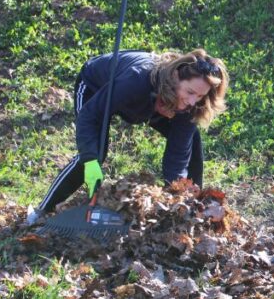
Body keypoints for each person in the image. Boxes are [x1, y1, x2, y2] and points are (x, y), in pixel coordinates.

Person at [27, 49, 228, 224]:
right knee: (95, 151)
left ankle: (192, 208)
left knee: (192, 139)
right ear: (176, 76)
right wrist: (89, 160)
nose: (193, 101)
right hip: (97, 86)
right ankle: (42, 211)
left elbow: (177, 155)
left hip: (153, 101)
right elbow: (90, 115)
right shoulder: (136, 79)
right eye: (191, 92)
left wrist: (178, 192)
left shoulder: (190, 105)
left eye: (200, 96)